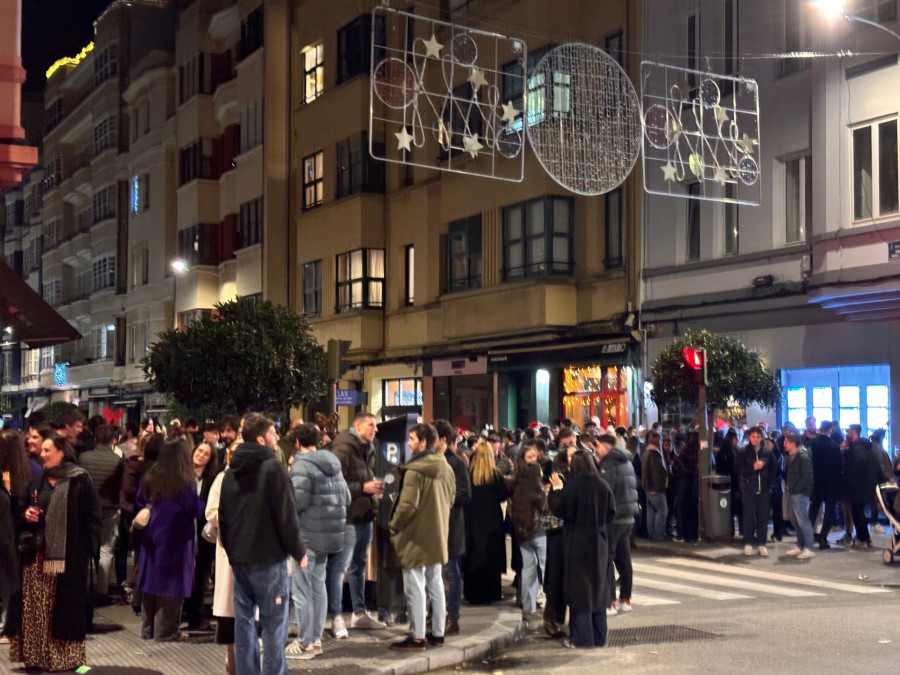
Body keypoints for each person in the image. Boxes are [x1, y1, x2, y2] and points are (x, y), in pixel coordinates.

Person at [219, 413, 307, 675]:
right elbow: (285, 513)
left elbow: (224, 516)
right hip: (268, 560)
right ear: (260, 438)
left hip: (241, 561)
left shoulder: (231, 470)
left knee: (244, 624)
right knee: (274, 626)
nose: (278, 437)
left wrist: (232, 552)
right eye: (273, 433)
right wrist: (298, 549)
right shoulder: (272, 467)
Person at [9, 435, 101, 672]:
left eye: (47, 450)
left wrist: (83, 550)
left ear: (61, 451)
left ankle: (66, 660)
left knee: (64, 610)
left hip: (67, 560)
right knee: (36, 611)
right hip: (36, 558)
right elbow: (18, 509)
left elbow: (92, 518)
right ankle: (36, 658)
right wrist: (25, 514)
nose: (42, 454)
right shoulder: (36, 479)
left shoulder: (80, 479)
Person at [388, 423, 455, 652]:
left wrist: (393, 525)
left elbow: (406, 506)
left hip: (415, 536)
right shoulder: (446, 467)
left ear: (424, 442)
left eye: (412, 438)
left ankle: (417, 637)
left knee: (414, 586)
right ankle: (438, 633)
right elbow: (452, 498)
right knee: (435, 583)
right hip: (437, 534)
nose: (409, 442)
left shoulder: (415, 471)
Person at [285, 423, 350, 661]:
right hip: (329, 536)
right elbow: (347, 497)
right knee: (318, 588)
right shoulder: (333, 464)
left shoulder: (302, 465)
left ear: (298, 443)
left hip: (307, 537)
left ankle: (304, 643)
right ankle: (316, 640)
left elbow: (296, 503)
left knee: (302, 591)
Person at [136, 436, 204, 641]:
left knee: (150, 584)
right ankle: (165, 632)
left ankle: (147, 630)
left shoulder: (150, 476)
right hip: (176, 539)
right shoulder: (183, 482)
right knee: (170, 586)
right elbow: (196, 510)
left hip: (151, 536)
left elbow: (139, 501)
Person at [550, 450, 615, 648]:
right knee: (598, 587)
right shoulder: (603, 485)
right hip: (599, 541)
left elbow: (560, 510)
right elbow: (611, 513)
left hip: (577, 542)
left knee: (580, 591)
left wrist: (556, 489)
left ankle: (582, 638)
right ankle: (599, 635)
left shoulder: (573, 487)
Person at [328, 412, 385, 637]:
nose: (376, 429)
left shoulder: (366, 448)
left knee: (358, 566)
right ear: (358, 426)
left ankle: (359, 613)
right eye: (371, 425)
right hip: (348, 518)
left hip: (364, 515)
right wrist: (363, 488)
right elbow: (335, 484)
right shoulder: (343, 449)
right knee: (340, 567)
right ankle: (336, 617)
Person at [593, 433, 639, 615]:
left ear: (605, 446)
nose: (596, 451)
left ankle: (609, 601)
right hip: (628, 516)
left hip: (614, 517)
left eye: (597, 447)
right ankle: (625, 599)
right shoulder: (626, 460)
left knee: (608, 559)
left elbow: (605, 490)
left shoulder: (609, 464)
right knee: (624, 558)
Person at [77, 423, 123, 601]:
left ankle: (85, 587)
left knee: (87, 549)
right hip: (110, 509)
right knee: (106, 550)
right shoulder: (118, 461)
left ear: (95, 438)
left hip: (87, 510)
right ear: (113, 440)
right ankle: (102, 590)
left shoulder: (83, 458)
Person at [434, 419, 470, 636]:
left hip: (451, 525)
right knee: (434, 572)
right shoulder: (432, 460)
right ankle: (436, 611)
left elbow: (466, 494)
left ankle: (452, 615)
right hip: (435, 524)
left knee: (451, 571)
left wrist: (444, 498)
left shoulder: (455, 463)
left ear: (443, 440)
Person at [463, 439, 509, 605]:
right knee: (491, 555)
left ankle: (472, 592)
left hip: (472, 520)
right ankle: (492, 592)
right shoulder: (495, 476)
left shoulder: (469, 475)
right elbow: (504, 494)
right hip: (492, 522)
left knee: (474, 553)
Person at [205, 441, 237, 675]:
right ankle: (232, 661)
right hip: (229, 552)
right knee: (230, 613)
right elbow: (211, 512)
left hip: (254, 556)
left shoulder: (261, 476)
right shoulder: (222, 479)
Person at [0, 429, 31, 643]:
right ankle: (7, 626)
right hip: (13, 536)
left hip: (11, 536)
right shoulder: (31, 471)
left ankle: (8, 626)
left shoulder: (27, 473)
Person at [185, 441, 219, 630]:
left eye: (206, 454)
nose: (201, 455)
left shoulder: (211, 479)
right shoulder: (183, 474)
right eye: (199, 451)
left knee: (200, 576)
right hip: (184, 531)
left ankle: (195, 616)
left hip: (204, 534)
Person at [510, 460, 546, 627]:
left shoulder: (518, 491)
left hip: (522, 534)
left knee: (528, 569)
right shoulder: (538, 492)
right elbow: (545, 509)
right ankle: (548, 601)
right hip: (539, 533)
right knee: (545, 567)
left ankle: (527, 604)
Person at [844, 424, 888, 549]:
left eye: (848, 431)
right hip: (866, 485)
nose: (847, 433)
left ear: (853, 432)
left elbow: (854, 468)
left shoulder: (857, 449)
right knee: (859, 512)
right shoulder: (866, 447)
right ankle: (864, 538)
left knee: (857, 513)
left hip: (857, 486)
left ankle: (864, 539)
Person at [736, 426, 777, 557]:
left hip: (763, 489)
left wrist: (771, 486)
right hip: (748, 489)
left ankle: (761, 543)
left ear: (761, 437)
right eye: (753, 437)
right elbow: (738, 469)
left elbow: (774, 469)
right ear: (749, 437)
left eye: (758, 437)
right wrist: (752, 468)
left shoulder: (767, 452)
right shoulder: (743, 452)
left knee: (763, 517)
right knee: (748, 517)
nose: (755, 439)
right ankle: (748, 542)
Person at [808, 421, 842, 549]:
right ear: (829, 430)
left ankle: (807, 537)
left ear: (819, 429)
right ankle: (823, 538)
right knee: (829, 511)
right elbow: (839, 466)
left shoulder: (811, 444)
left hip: (816, 482)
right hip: (831, 483)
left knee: (813, 510)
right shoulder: (834, 446)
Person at [783, 433, 816, 560]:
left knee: (803, 521)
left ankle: (809, 547)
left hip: (800, 494)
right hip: (793, 492)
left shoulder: (802, 457)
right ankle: (800, 545)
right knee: (796, 521)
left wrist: (796, 489)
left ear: (793, 443)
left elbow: (808, 477)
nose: (784, 444)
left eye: (786, 442)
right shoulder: (791, 456)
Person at [642, 431, 668, 542]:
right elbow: (656, 473)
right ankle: (658, 535)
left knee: (651, 511)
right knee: (662, 510)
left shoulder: (646, 453)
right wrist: (655, 487)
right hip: (655, 488)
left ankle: (651, 533)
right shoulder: (654, 454)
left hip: (648, 487)